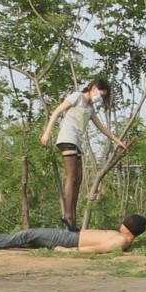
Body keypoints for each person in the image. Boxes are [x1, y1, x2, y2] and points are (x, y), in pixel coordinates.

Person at [40, 79, 127, 232]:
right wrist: (47, 132)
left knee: (78, 179)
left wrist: (117, 141)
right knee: (71, 177)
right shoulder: (77, 97)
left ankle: (72, 215)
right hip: (67, 138)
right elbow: (57, 111)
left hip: (77, 142)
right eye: (100, 94)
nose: (100, 98)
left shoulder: (90, 108)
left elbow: (102, 127)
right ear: (93, 88)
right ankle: (67, 215)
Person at [0, 214, 146, 254]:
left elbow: (101, 248)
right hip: (70, 236)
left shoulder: (122, 239)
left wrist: (69, 251)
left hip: (68, 240)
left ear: (127, 227)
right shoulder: (125, 239)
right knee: (28, 240)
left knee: (30, 234)